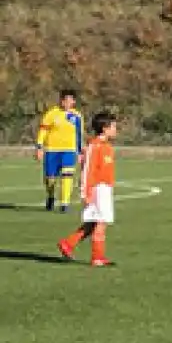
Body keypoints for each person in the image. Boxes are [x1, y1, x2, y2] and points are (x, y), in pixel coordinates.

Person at [58, 111, 118, 268]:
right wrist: (85, 192)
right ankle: (97, 257)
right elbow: (87, 171)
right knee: (101, 222)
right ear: (104, 128)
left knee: (92, 223)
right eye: (113, 127)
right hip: (97, 189)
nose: (115, 130)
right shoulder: (94, 146)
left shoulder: (107, 146)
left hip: (104, 188)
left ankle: (68, 243)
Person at [34, 89, 84, 213]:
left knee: (67, 175)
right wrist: (39, 147)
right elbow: (43, 131)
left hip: (69, 150)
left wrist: (79, 152)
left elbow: (79, 135)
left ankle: (64, 204)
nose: (66, 103)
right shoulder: (51, 114)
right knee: (50, 178)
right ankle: (51, 196)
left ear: (73, 101)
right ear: (61, 100)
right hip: (52, 150)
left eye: (69, 100)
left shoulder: (77, 116)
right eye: (64, 100)